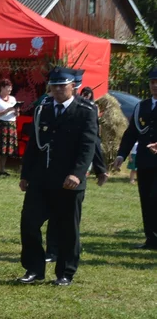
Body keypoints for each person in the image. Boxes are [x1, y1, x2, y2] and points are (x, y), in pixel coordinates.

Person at [17, 67, 99, 287]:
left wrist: (77, 174)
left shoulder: (86, 109)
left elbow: (88, 145)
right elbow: (34, 143)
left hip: (69, 180)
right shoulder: (42, 108)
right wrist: (26, 174)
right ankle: (34, 268)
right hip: (41, 178)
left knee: (67, 229)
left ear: (73, 86)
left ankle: (65, 272)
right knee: (29, 223)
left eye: (63, 85)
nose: (58, 89)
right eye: (54, 85)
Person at [115, 66, 157, 250]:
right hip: (145, 161)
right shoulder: (142, 106)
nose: (155, 86)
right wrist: (121, 155)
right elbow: (131, 133)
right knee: (146, 199)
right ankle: (151, 239)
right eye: (152, 82)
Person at [0, 79, 19, 176]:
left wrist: (16, 111)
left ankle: (2, 169)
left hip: (11, 124)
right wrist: (6, 111)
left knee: (6, 149)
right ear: (2, 88)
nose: (9, 91)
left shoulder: (13, 99)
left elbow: (17, 114)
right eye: (7, 89)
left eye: (10, 90)